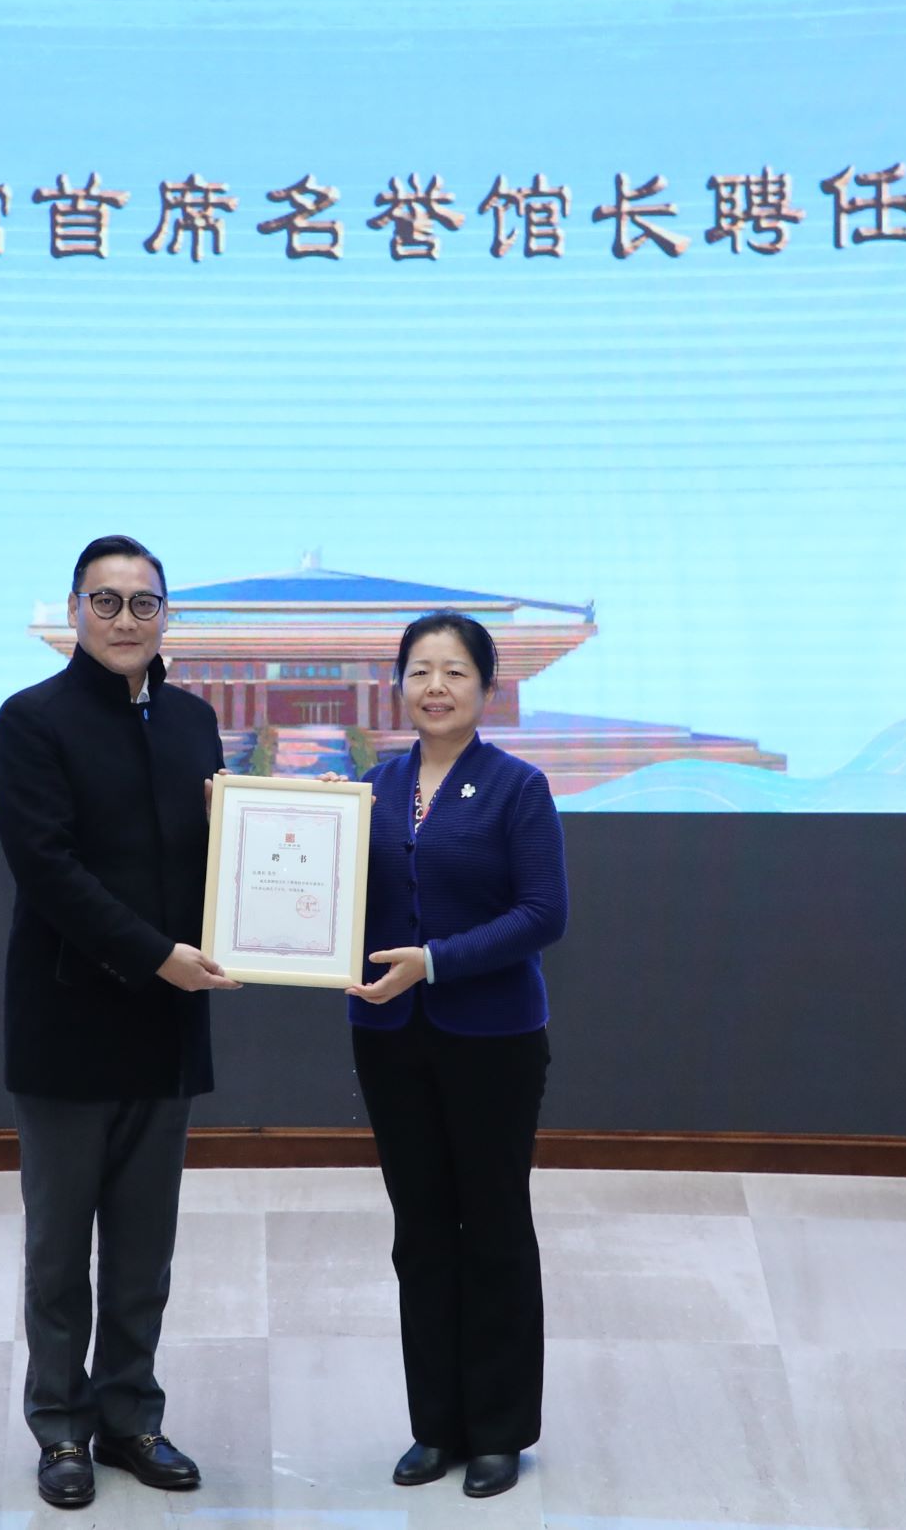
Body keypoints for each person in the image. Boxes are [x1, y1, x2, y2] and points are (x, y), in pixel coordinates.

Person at [0, 534, 239, 1511]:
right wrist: (154, 954)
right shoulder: (32, 721)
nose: (125, 619)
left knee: (143, 1250)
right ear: (74, 611)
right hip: (67, 1024)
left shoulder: (193, 722)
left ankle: (131, 1416)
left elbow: (222, 857)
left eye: (143, 602)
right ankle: (61, 1426)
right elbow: (48, 870)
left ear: (167, 614)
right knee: (58, 1251)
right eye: (106, 601)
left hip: (166, 1029)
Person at [346, 609, 569, 1499]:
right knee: (421, 1230)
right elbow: (326, 892)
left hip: (493, 1041)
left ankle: (499, 1431)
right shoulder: (371, 787)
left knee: (495, 1225)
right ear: (398, 684)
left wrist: (436, 961)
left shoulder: (518, 787)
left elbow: (543, 913)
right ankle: (434, 1424)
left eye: (454, 671)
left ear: (486, 687)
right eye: (419, 670)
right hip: (388, 1038)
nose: (435, 686)